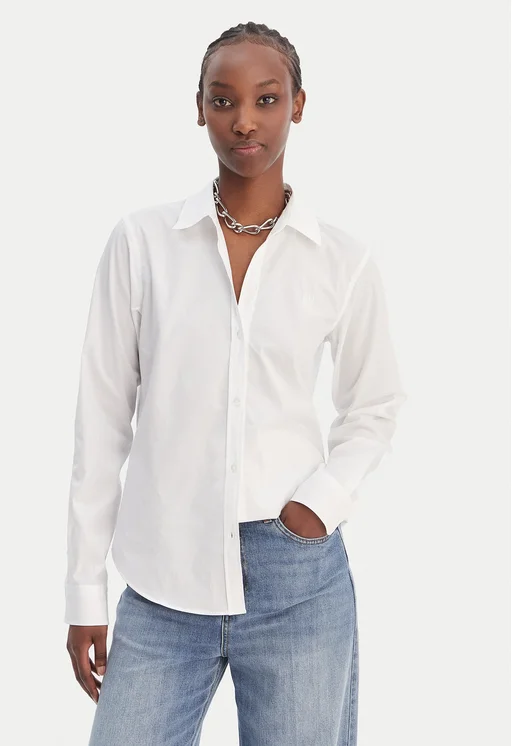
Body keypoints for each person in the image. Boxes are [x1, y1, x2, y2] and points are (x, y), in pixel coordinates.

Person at [64, 20, 407, 746]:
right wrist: (85, 592)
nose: (244, 120)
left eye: (266, 99)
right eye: (223, 100)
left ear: (298, 105)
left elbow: (375, 404)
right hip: (163, 581)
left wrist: (318, 505)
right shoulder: (143, 243)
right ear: (199, 109)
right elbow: (102, 418)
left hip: (298, 581)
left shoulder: (340, 259)